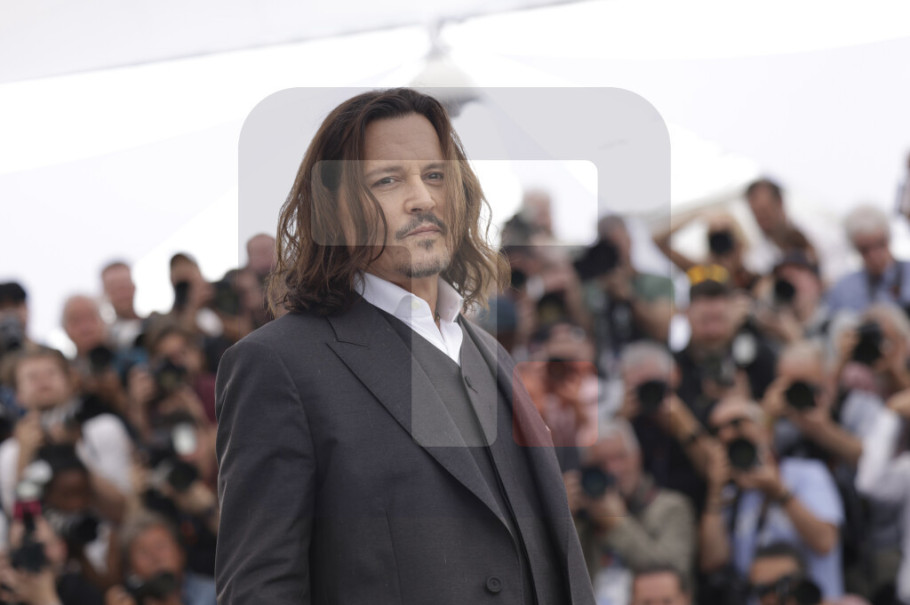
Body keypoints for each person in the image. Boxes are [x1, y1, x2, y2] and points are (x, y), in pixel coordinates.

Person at [214, 88, 596, 604]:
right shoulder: (277, 365)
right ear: (336, 209)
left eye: (435, 175)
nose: (422, 199)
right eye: (388, 180)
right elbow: (260, 590)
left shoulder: (493, 355)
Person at [565, 420, 695, 605]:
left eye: (620, 457)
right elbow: (561, 573)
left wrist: (618, 524)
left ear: (637, 456)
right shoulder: (583, 517)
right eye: (601, 463)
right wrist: (565, 517)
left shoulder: (672, 507)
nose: (612, 469)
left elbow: (673, 573)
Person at [826, 205, 910, 315]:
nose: (874, 255)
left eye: (879, 244)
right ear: (855, 248)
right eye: (865, 249)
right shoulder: (844, 289)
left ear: (889, 238)